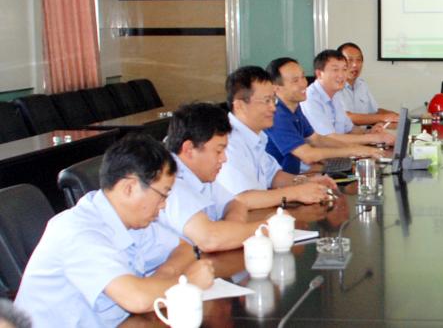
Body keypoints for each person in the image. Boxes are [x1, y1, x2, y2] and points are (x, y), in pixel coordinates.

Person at [15, 135, 215, 327]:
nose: (163, 205)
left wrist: (163, 277)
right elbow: (136, 299)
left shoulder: (131, 219)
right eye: (162, 195)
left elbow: (184, 249)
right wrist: (188, 283)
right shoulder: (78, 231)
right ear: (129, 188)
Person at [158, 103, 277, 252]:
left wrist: (232, 230)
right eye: (219, 151)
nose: (224, 159)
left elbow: (235, 203)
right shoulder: (170, 182)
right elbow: (210, 239)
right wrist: (271, 227)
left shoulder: (201, 173)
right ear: (189, 149)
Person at [216, 66, 338, 208]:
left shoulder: (257, 136)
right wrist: (296, 192)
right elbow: (243, 199)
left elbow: (274, 176)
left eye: (274, 100)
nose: (273, 108)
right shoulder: (227, 142)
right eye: (266, 101)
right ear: (240, 105)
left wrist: (306, 182)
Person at [265, 57, 383, 174]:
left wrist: (357, 149)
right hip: (279, 181)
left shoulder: (294, 108)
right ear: (276, 88)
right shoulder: (277, 115)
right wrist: (354, 151)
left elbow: (316, 139)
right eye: (295, 81)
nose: (304, 83)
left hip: (293, 175)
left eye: (303, 76)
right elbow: (308, 155)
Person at [301, 49, 394, 147]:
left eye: (344, 69)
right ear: (319, 74)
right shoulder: (309, 99)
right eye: (335, 70)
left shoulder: (335, 95)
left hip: (339, 152)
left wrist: (369, 132)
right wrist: (375, 138)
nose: (341, 75)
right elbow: (328, 139)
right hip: (322, 155)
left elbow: (350, 129)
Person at [338, 42, 400, 126]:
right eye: (350, 60)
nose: (355, 65)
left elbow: (375, 111)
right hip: (345, 134)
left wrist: (397, 117)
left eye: (359, 60)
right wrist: (384, 117)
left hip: (364, 132)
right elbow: (348, 117)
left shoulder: (361, 84)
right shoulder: (334, 86)